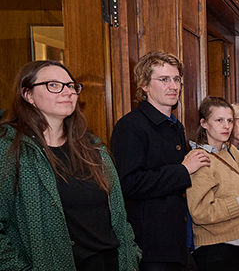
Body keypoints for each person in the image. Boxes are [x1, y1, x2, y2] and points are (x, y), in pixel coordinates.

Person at [0, 61, 140, 270]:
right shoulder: (9, 150)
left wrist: (131, 256)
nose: (68, 92)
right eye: (54, 85)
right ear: (28, 95)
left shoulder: (93, 147)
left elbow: (119, 216)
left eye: (71, 86)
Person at [111, 50, 209, 270]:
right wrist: (184, 171)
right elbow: (128, 183)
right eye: (164, 79)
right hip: (151, 245)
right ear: (144, 85)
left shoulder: (175, 125)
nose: (173, 86)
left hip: (178, 241)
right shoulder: (131, 126)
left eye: (176, 79)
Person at [184, 96, 239, 271]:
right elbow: (200, 211)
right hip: (219, 249)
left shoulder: (230, 150)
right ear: (204, 123)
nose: (226, 126)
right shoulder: (198, 159)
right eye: (219, 120)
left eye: (230, 120)